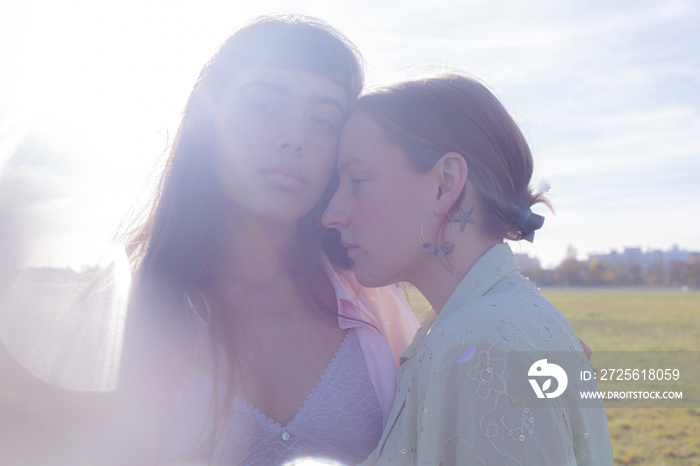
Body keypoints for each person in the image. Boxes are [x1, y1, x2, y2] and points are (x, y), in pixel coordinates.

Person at [109, 15, 418, 465]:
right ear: (208, 124)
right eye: (263, 107)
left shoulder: (375, 304)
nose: (294, 138)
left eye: (322, 119)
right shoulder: (127, 312)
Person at [322, 74, 614, 465]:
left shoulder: (481, 345)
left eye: (357, 180)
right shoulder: (470, 324)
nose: (331, 214)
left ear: (445, 184)